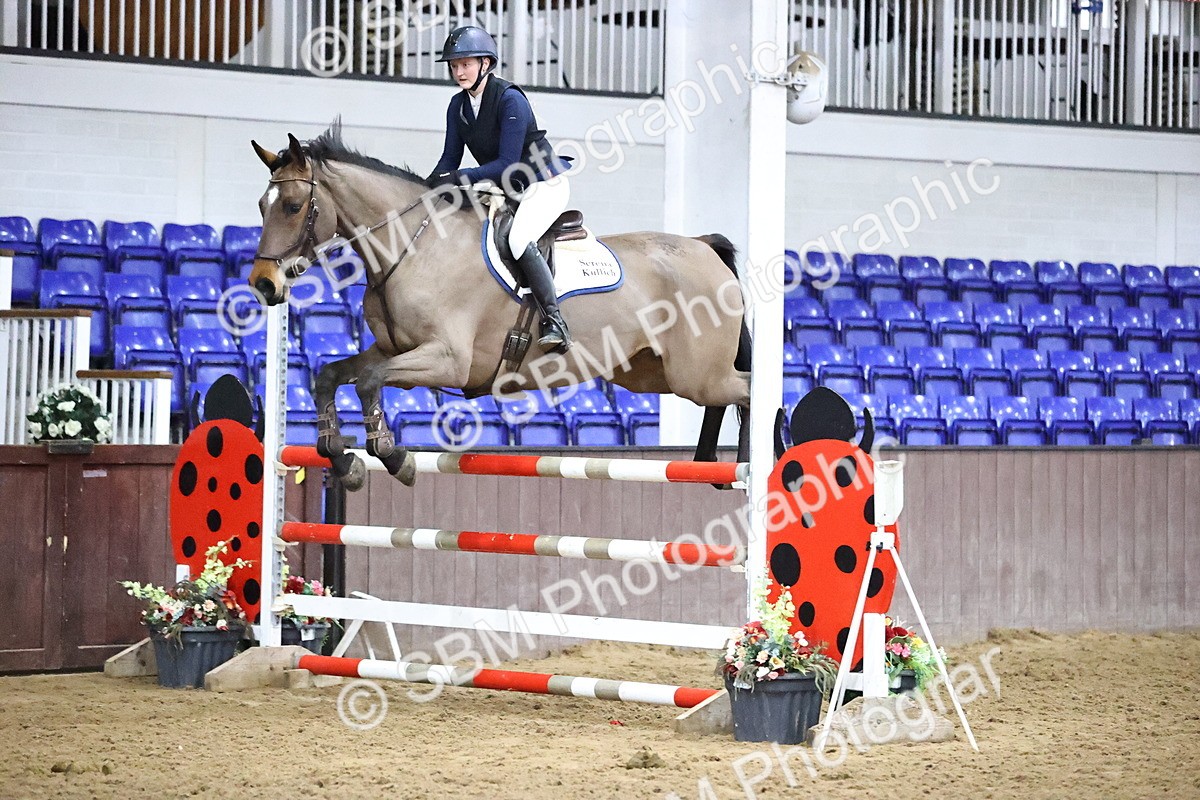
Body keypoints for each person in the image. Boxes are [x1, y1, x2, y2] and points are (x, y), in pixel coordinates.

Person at [426, 25, 573, 353]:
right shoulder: (458, 106)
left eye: (466, 64)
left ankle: (555, 321)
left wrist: (459, 177)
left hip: (541, 182)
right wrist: (426, 188)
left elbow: (507, 163)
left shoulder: (510, 100)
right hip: (507, 187)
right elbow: (449, 159)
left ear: (485, 64)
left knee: (519, 239)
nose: (459, 72)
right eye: (454, 65)